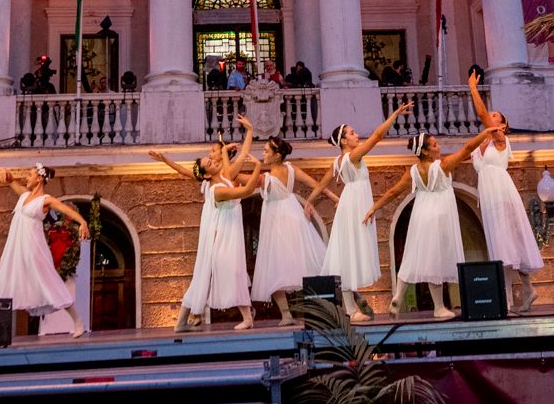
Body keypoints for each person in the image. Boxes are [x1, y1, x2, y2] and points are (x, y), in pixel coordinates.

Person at [305, 106, 410, 319]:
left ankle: (351, 307)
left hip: (350, 203)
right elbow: (378, 135)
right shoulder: (352, 156)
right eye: (352, 133)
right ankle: (351, 310)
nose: (357, 135)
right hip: (355, 205)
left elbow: (321, 183)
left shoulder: (338, 161)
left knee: (348, 253)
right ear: (344, 141)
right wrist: (394, 115)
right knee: (349, 253)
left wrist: (309, 201)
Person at [153, 131, 261, 332]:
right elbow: (245, 191)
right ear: (207, 173)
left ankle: (182, 322)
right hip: (222, 230)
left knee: (224, 271)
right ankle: (245, 317)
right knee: (226, 270)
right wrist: (258, 168)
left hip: (228, 227)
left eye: (212, 155)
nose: (212, 158)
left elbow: (244, 150)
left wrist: (250, 130)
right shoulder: (215, 188)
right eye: (209, 161)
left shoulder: (227, 175)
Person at [369, 128, 485, 316]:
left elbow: (393, 192)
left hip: (421, 213)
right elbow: (468, 147)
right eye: (434, 144)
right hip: (440, 213)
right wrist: (486, 132)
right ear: (424, 151)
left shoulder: (413, 171)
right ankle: (438, 307)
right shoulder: (443, 165)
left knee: (413, 254)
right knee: (436, 259)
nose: (438, 146)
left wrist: (373, 208)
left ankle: (398, 295)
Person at [464, 69, 546, 312]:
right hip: (488, 192)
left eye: (494, 116)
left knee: (508, 239)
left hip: (500, 189)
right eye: (491, 115)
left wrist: (473, 89)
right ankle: (522, 293)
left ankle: (511, 298)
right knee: (501, 244)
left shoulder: (501, 140)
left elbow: (480, 112)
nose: (490, 117)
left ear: (502, 125)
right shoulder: (483, 142)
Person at [0, 167, 85, 337]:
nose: (27, 177)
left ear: (39, 178)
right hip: (16, 247)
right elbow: (12, 183)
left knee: (48, 282)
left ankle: (77, 321)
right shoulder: (24, 196)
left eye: (30, 175)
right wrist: (9, 177)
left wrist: (82, 222)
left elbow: (66, 210)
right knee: (3, 281)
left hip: (33, 247)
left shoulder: (45, 200)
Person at [250, 138, 328, 320]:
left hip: (278, 222)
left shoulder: (267, 178)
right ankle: (341, 301)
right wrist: (331, 198)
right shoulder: (292, 170)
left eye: (266, 151)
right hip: (294, 217)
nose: (263, 154)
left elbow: (244, 181)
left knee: (274, 268)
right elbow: (317, 185)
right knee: (310, 263)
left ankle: (286, 314)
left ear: (276, 155)